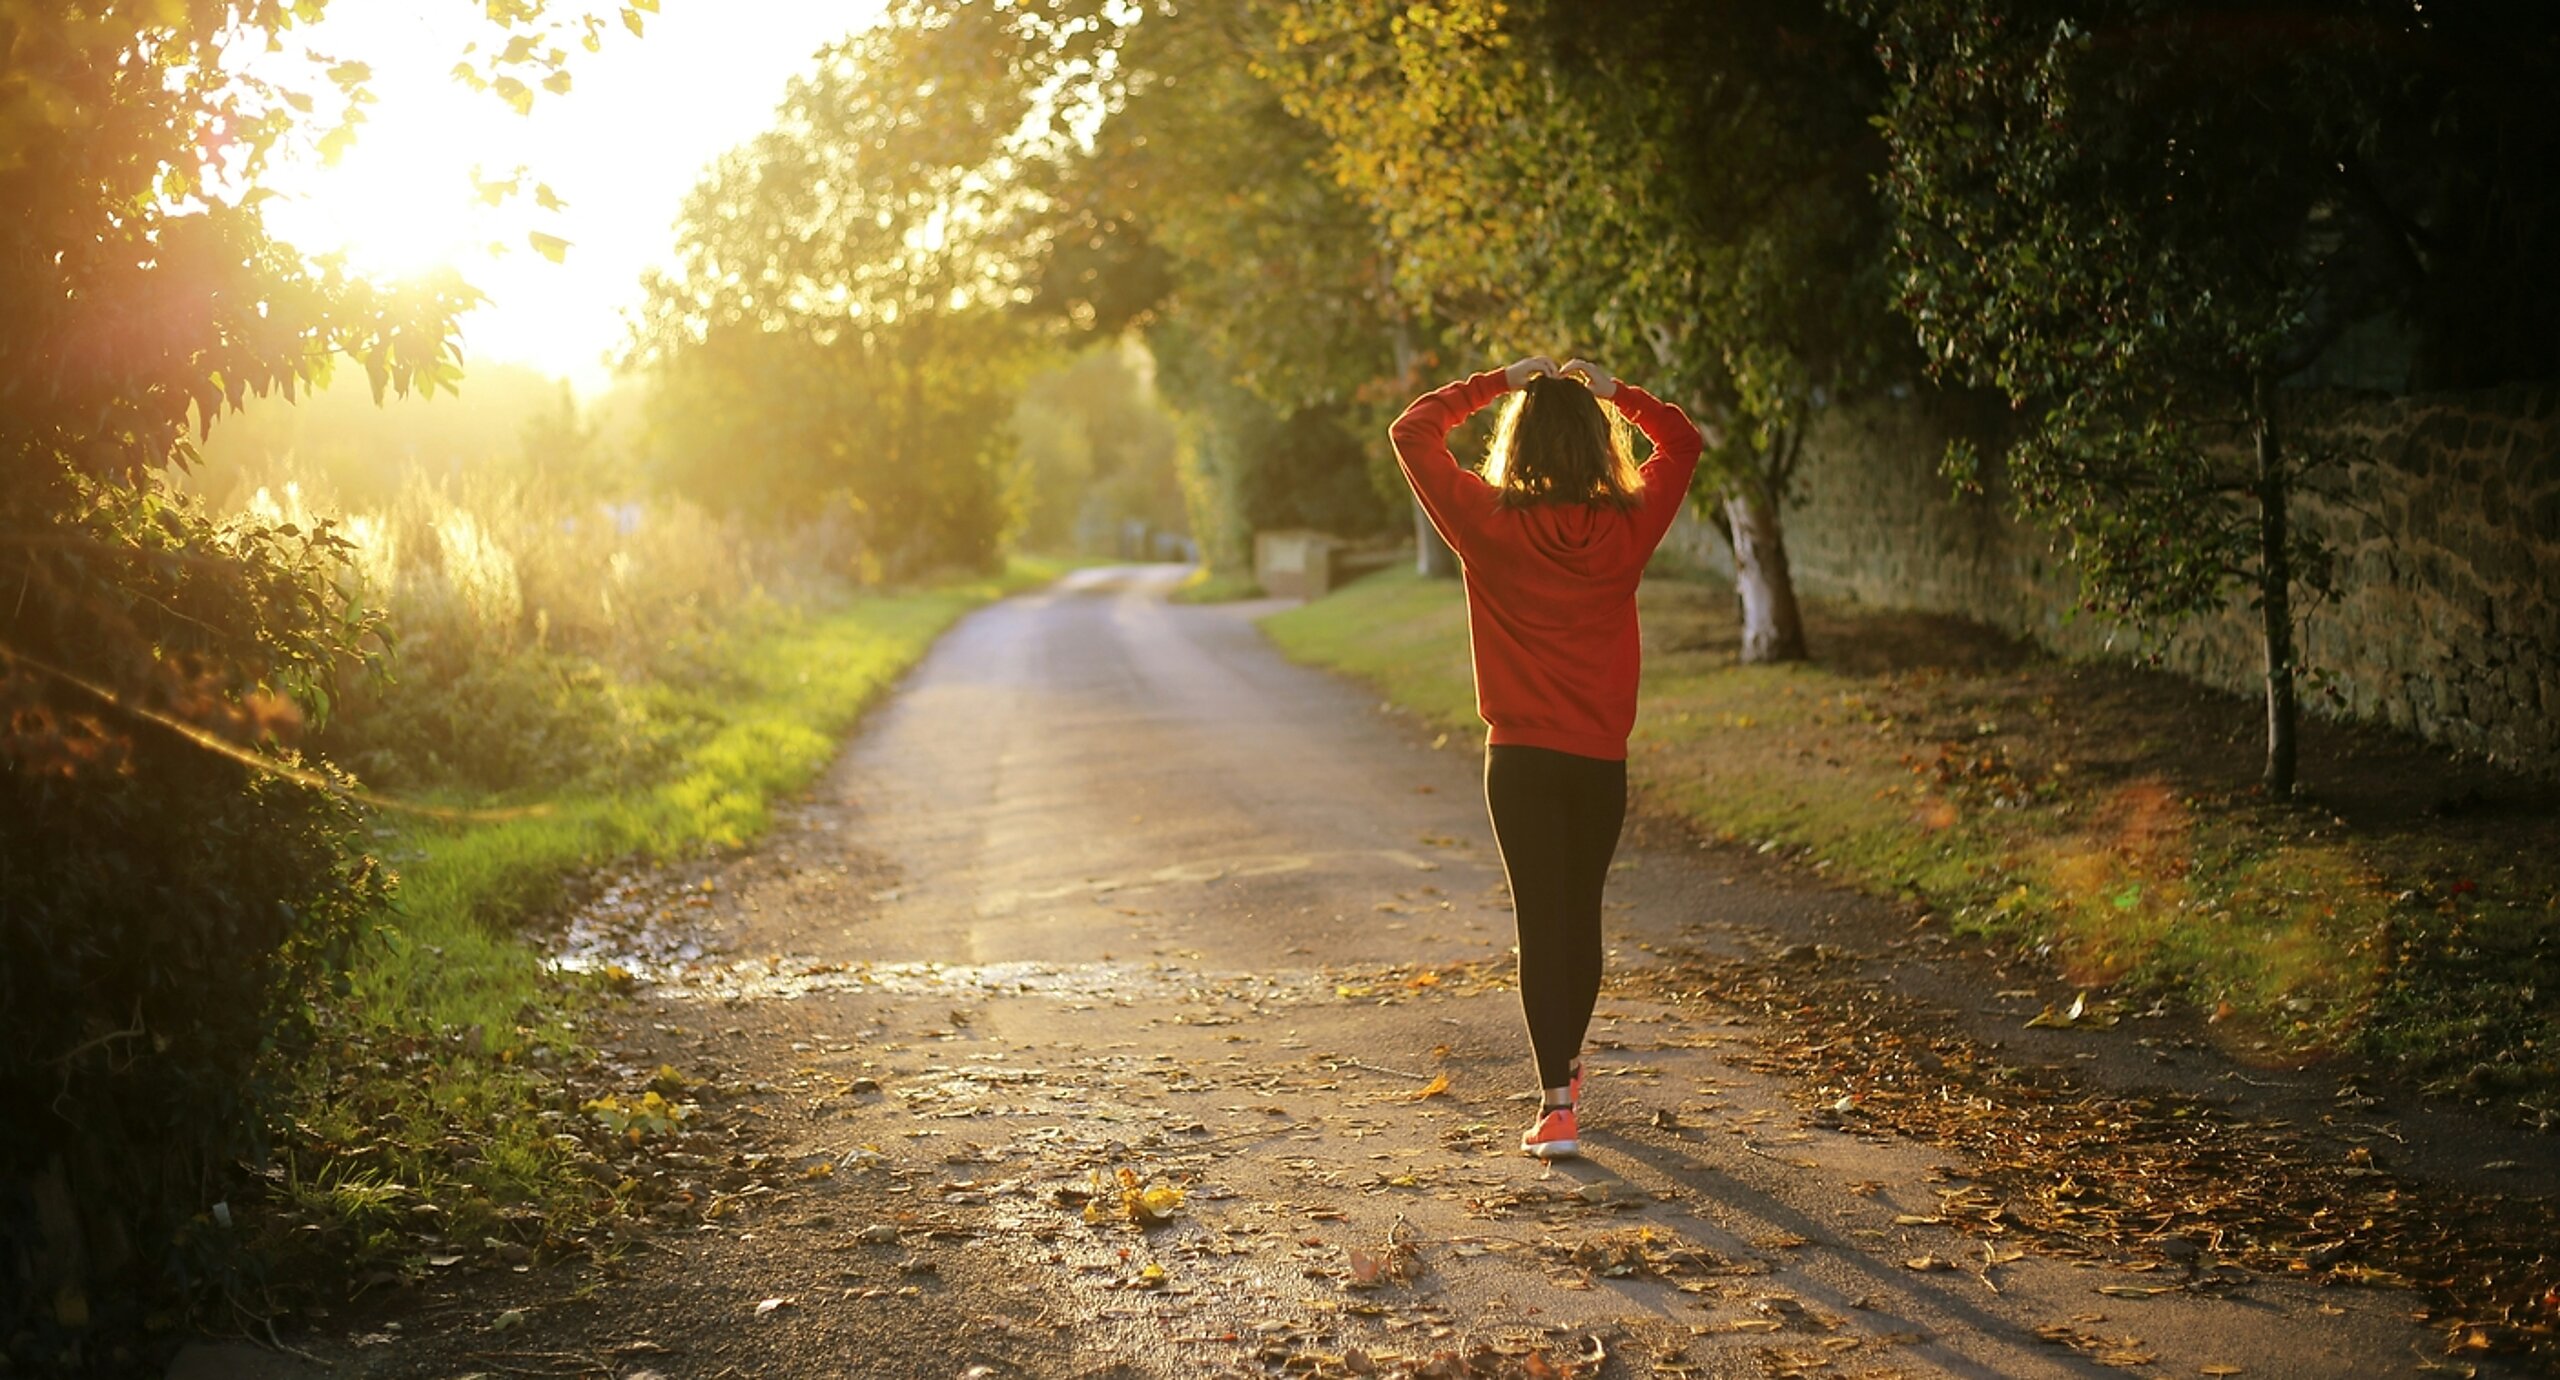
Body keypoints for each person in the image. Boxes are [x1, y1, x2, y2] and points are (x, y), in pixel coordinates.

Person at [1389, 355, 1704, 1158]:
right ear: (1599, 447)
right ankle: (1563, 1070)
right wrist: (1617, 394)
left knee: (1541, 920)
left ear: (1517, 444)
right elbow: (1684, 441)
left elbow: (1412, 430)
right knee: (1581, 915)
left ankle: (1556, 1103)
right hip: (1599, 758)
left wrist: (1498, 381)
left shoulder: (1486, 522)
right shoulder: (1629, 524)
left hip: (1520, 759)